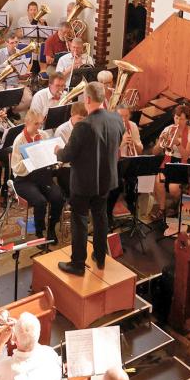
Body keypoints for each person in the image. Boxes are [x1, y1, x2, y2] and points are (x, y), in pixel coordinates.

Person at [55, 82, 125, 275]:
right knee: (101, 217)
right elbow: (115, 143)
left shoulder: (83, 126)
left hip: (84, 183)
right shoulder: (116, 119)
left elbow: (67, 155)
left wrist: (57, 151)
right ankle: (100, 257)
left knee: (80, 220)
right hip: (106, 179)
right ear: (103, 98)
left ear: (87, 99)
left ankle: (77, 264)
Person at [11, 110, 65, 242]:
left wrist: (56, 158)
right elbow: (16, 168)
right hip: (24, 179)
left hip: (42, 176)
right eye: (36, 124)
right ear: (27, 123)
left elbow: (51, 155)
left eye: (40, 124)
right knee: (40, 201)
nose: (39, 127)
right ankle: (39, 232)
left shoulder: (44, 135)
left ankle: (52, 228)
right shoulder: (19, 140)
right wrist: (30, 160)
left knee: (58, 197)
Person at [0, 312, 62, 380]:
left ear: (14, 340)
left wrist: (1, 343)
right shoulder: (50, 353)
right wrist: (21, 329)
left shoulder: (7, 367)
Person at [150, 105, 190, 222]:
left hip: (183, 162)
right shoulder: (168, 129)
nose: (178, 121)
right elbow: (154, 152)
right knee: (158, 180)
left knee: (173, 188)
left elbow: (185, 155)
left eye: (181, 119)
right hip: (168, 160)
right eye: (176, 118)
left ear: (187, 119)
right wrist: (161, 143)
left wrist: (177, 143)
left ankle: (178, 204)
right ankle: (162, 209)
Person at [105, 104, 142, 229]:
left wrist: (134, 144)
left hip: (129, 160)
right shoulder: (109, 128)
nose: (124, 119)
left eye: (126, 116)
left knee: (135, 182)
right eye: (121, 116)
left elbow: (140, 149)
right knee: (117, 185)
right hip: (112, 162)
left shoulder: (133, 126)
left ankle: (131, 206)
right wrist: (121, 143)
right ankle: (108, 213)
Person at [54, 102, 88, 199]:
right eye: (79, 119)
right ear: (72, 115)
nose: (82, 122)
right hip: (67, 168)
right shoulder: (62, 131)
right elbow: (63, 158)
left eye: (85, 119)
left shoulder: (87, 127)